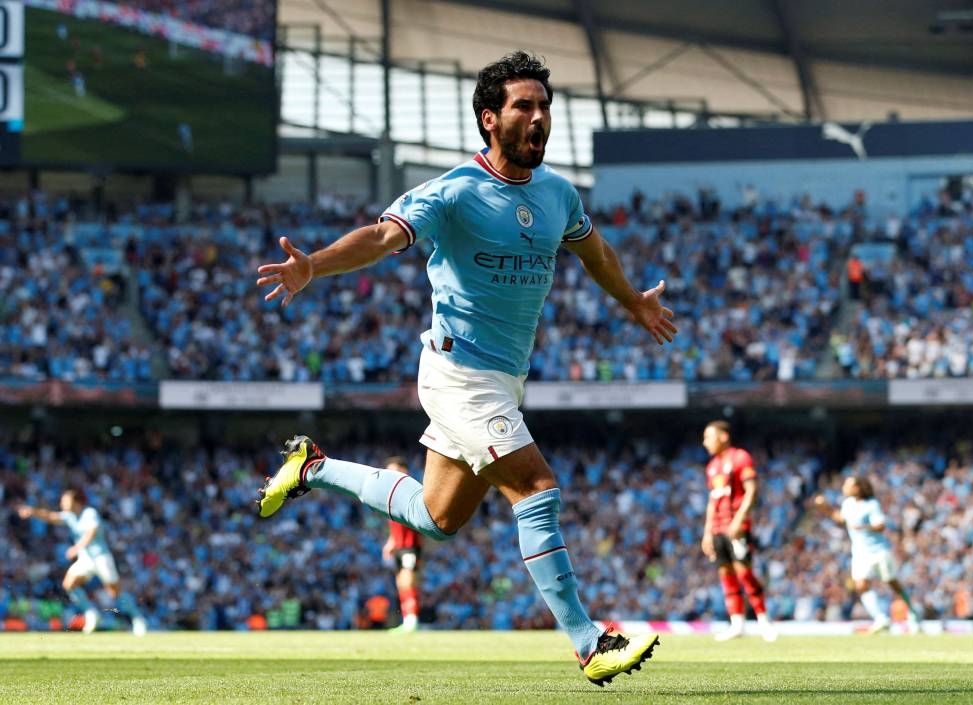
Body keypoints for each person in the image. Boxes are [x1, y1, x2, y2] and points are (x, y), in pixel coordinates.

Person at [254, 50, 675, 686]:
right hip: (459, 374)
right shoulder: (452, 192)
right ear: (490, 119)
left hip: (504, 378)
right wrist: (315, 263)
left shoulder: (558, 194)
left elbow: (596, 252)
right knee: (536, 487)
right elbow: (382, 236)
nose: (539, 117)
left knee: (438, 518)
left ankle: (313, 467)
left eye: (545, 106)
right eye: (524, 106)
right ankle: (589, 642)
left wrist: (633, 300)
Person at [17, 488, 146, 636]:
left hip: (101, 557)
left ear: (76, 502)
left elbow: (91, 533)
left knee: (114, 592)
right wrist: (33, 512)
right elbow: (51, 516)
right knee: (69, 584)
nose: (62, 504)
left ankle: (137, 617)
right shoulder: (70, 516)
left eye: (65, 501)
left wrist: (77, 547)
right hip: (86, 559)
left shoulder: (89, 513)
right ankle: (91, 613)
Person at [700, 421, 778, 642]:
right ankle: (737, 624)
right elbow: (712, 500)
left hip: (736, 526)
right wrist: (707, 532)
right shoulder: (712, 466)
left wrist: (738, 520)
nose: (705, 442)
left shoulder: (740, 457)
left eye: (709, 437)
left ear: (723, 436)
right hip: (717, 528)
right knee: (726, 575)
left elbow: (751, 491)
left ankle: (764, 621)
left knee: (744, 572)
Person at [813, 475, 920, 634]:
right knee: (861, 586)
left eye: (848, 485)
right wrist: (826, 508)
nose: (844, 487)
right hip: (860, 552)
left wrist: (863, 527)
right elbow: (842, 519)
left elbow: (880, 526)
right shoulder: (848, 504)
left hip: (879, 550)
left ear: (858, 488)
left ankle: (912, 613)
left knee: (891, 582)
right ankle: (881, 618)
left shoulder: (871, 505)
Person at [380, 456, 422, 633]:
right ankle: (407, 619)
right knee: (401, 584)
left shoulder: (413, 490)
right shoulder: (390, 495)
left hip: (410, 545)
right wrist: (390, 542)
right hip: (398, 546)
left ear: (405, 471)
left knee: (408, 581)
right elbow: (394, 524)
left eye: (395, 470)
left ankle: (413, 620)